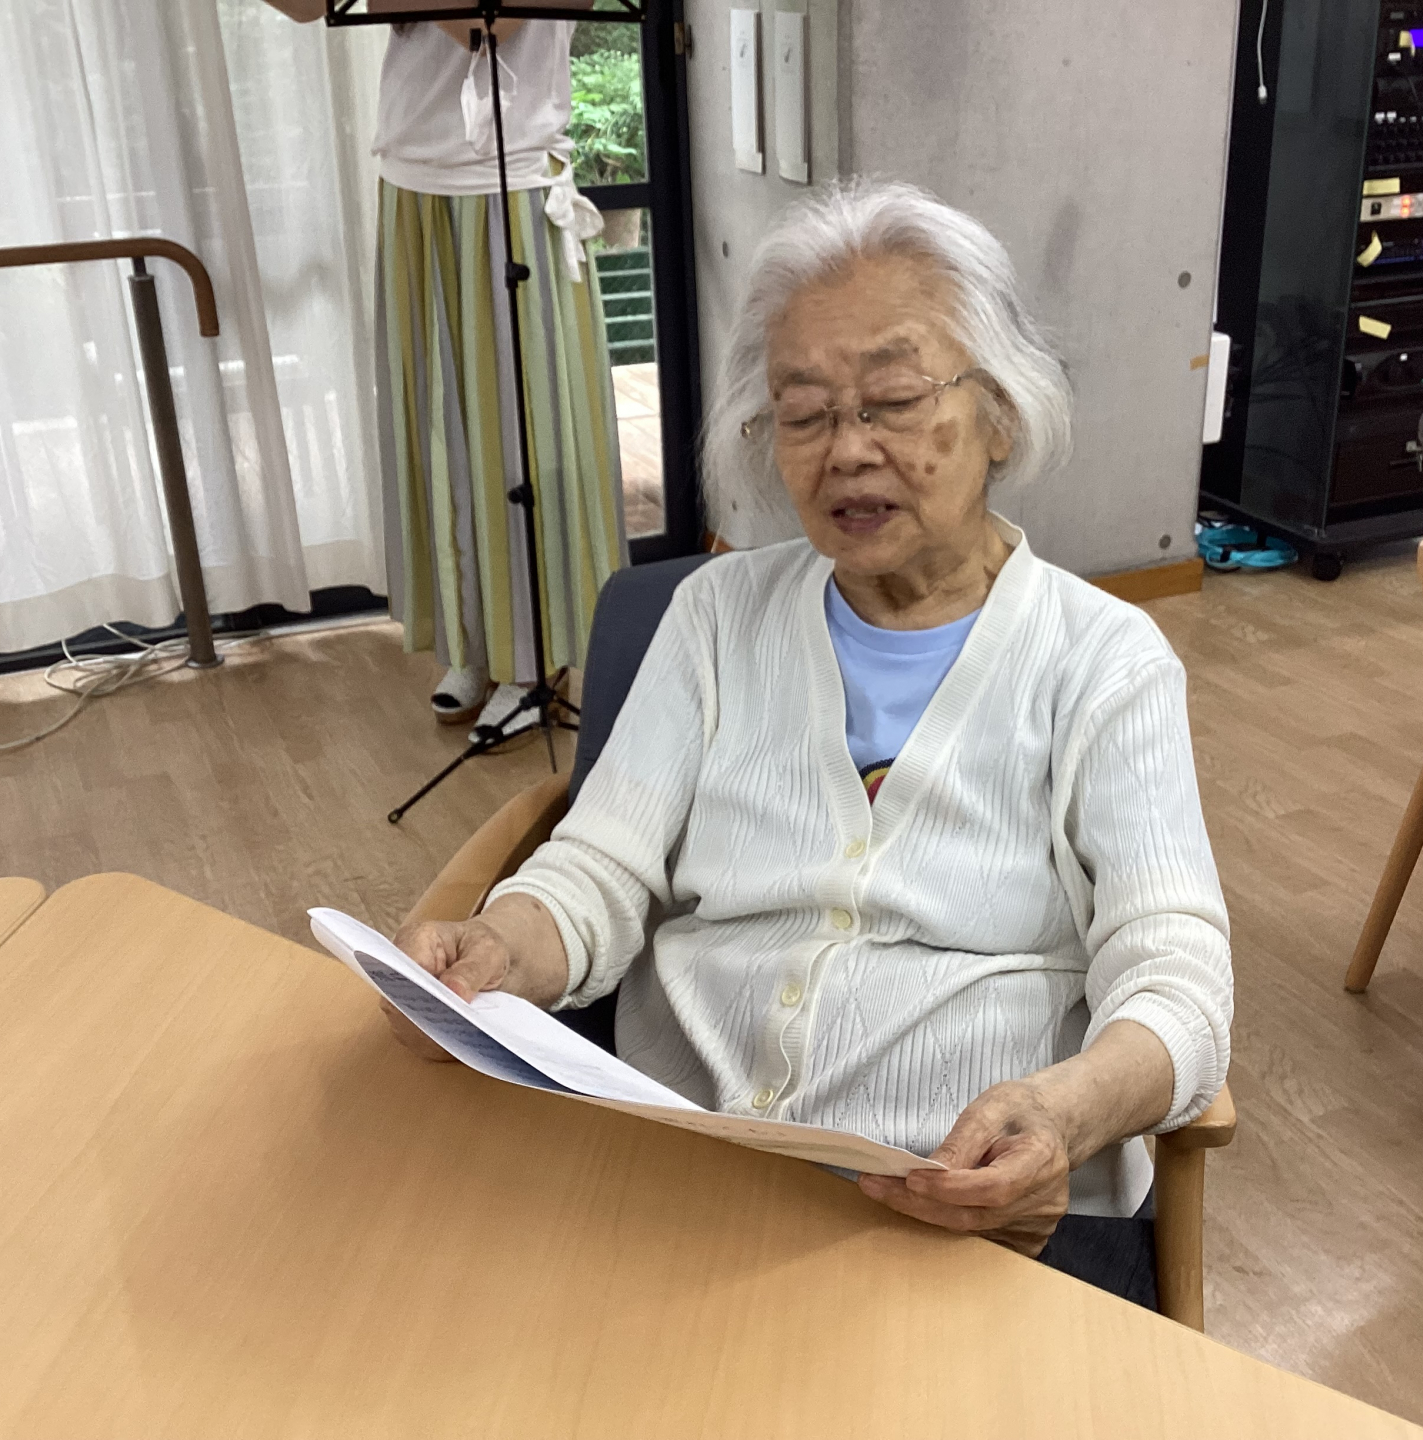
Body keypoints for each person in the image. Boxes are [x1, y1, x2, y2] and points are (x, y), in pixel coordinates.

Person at [390, 178, 1233, 1307]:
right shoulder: (714, 616)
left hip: (972, 1221)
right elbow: (598, 871)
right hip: (682, 1173)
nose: (848, 450)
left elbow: (1176, 974)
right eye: (805, 414)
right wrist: (499, 946)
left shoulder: (1105, 662)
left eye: (893, 400)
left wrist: (1066, 1115)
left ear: (1002, 413)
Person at [263, 0, 627, 728]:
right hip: (414, 180)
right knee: (440, 431)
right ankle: (476, 641)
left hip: (508, 187)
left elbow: (481, 27)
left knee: (521, 438)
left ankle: (533, 656)